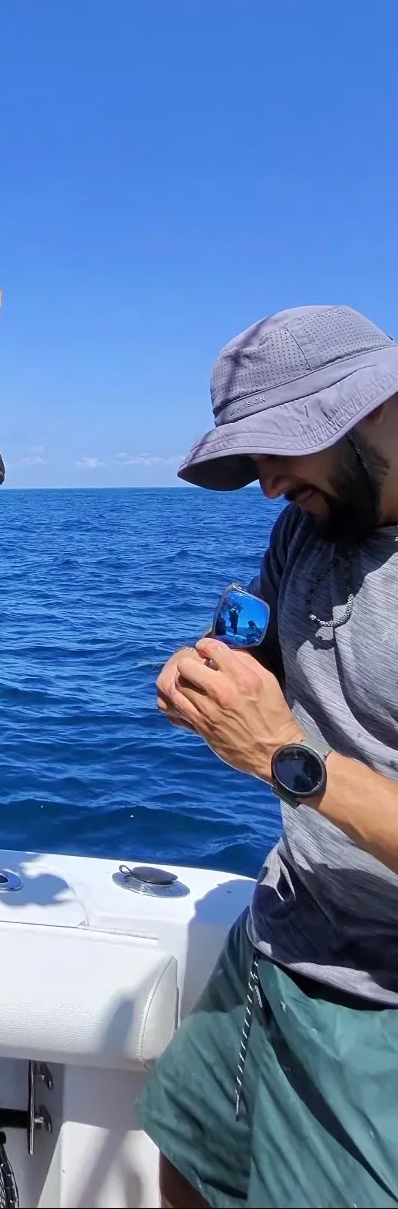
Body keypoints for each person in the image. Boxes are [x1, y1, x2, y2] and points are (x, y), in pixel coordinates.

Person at [142, 304, 398, 1208]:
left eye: (281, 449)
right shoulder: (310, 526)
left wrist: (291, 759)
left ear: (373, 407)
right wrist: (210, 679)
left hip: (379, 1004)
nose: (267, 485)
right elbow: (263, 655)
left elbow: (290, 753)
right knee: (184, 1157)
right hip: (279, 932)